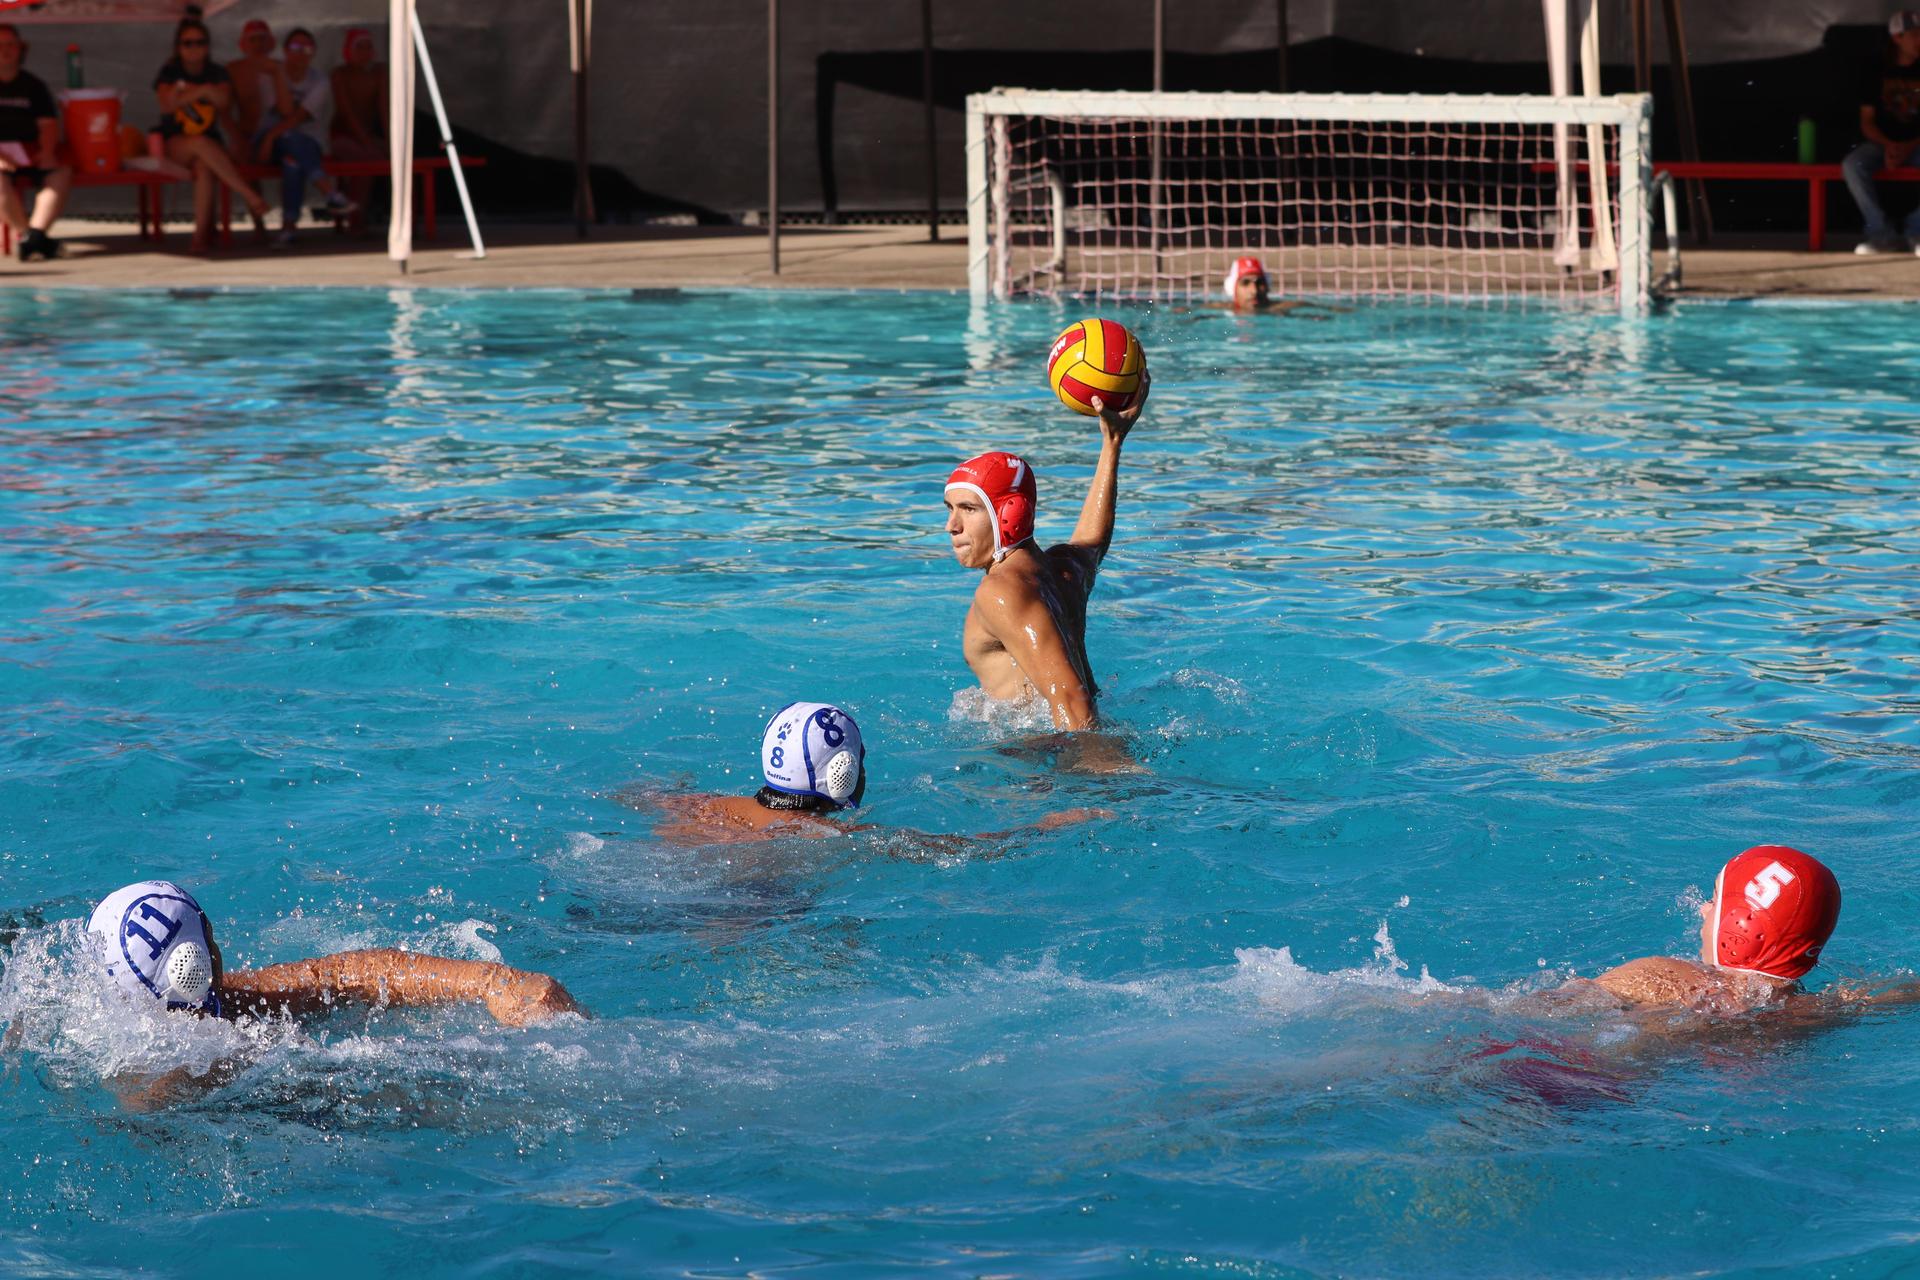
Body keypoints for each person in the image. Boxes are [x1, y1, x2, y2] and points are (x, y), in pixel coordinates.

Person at [942, 380, 1147, 732]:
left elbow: (1072, 701)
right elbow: (1092, 541)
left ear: (1009, 514)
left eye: (969, 509)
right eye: (949, 509)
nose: (951, 525)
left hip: (1042, 763)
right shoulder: (1062, 569)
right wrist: (1112, 444)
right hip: (1070, 742)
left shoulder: (1002, 592)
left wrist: (1090, 774)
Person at [626, 700, 1106, 846]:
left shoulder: (705, 807)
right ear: (843, 772)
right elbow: (961, 850)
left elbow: (636, 794)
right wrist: (1044, 826)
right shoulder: (824, 837)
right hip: (741, 912)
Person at [1586, 845, 1842, 1012]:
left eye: (1714, 900)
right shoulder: (1810, 1011)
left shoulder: (1665, 976)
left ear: (1742, 925)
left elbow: (1558, 1007)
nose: (1703, 909)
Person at [153, 14, 270, 252]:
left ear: (207, 45)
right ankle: (247, 194)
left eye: (200, 42)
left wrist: (186, 92)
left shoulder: (216, 72)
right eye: (188, 43)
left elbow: (223, 101)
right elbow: (166, 104)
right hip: (175, 143)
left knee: (205, 166)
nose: (194, 48)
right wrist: (204, 91)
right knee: (198, 143)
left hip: (209, 145)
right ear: (179, 47)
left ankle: (199, 237)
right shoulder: (169, 70)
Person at [251, 26, 354, 246]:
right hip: (269, 145)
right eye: (296, 47)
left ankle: (288, 228)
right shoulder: (269, 77)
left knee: (293, 162)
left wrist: (273, 136)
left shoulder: (319, 81)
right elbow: (283, 112)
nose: (301, 53)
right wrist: (269, 139)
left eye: (307, 48)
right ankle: (330, 192)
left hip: (304, 144)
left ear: (314, 52)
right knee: (288, 140)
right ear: (286, 50)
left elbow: (298, 117)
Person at [1845, 11, 1920, 254]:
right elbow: (1866, 122)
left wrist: (1907, 146)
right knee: (1853, 164)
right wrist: (1889, 145)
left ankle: (1916, 230)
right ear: (1897, 38)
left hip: (1917, 144)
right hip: (1883, 144)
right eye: (1915, 34)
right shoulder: (1876, 69)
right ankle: (1881, 234)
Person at [0, 22, 71, 263]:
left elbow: (48, 124)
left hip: (30, 149)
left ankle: (35, 236)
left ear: (21, 49)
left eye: (11, 44)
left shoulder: (33, 85)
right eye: (0, 45)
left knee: (61, 171)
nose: (5, 50)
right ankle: (30, 237)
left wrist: (47, 151)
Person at [330, 27, 387, 215]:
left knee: (401, 161)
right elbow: (346, 113)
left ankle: (408, 222)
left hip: (367, 137)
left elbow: (384, 109)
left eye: (368, 47)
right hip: (341, 136)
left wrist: (391, 142)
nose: (364, 52)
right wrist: (366, 142)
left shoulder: (379, 73)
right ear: (348, 50)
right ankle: (356, 218)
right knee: (365, 162)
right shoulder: (340, 75)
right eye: (359, 47)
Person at [1221, 256, 1336, 316]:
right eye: (1245, 283)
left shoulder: (1282, 307)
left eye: (1259, 283)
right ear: (1233, 288)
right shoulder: (1218, 310)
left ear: (1267, 285)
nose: (1254, 291)